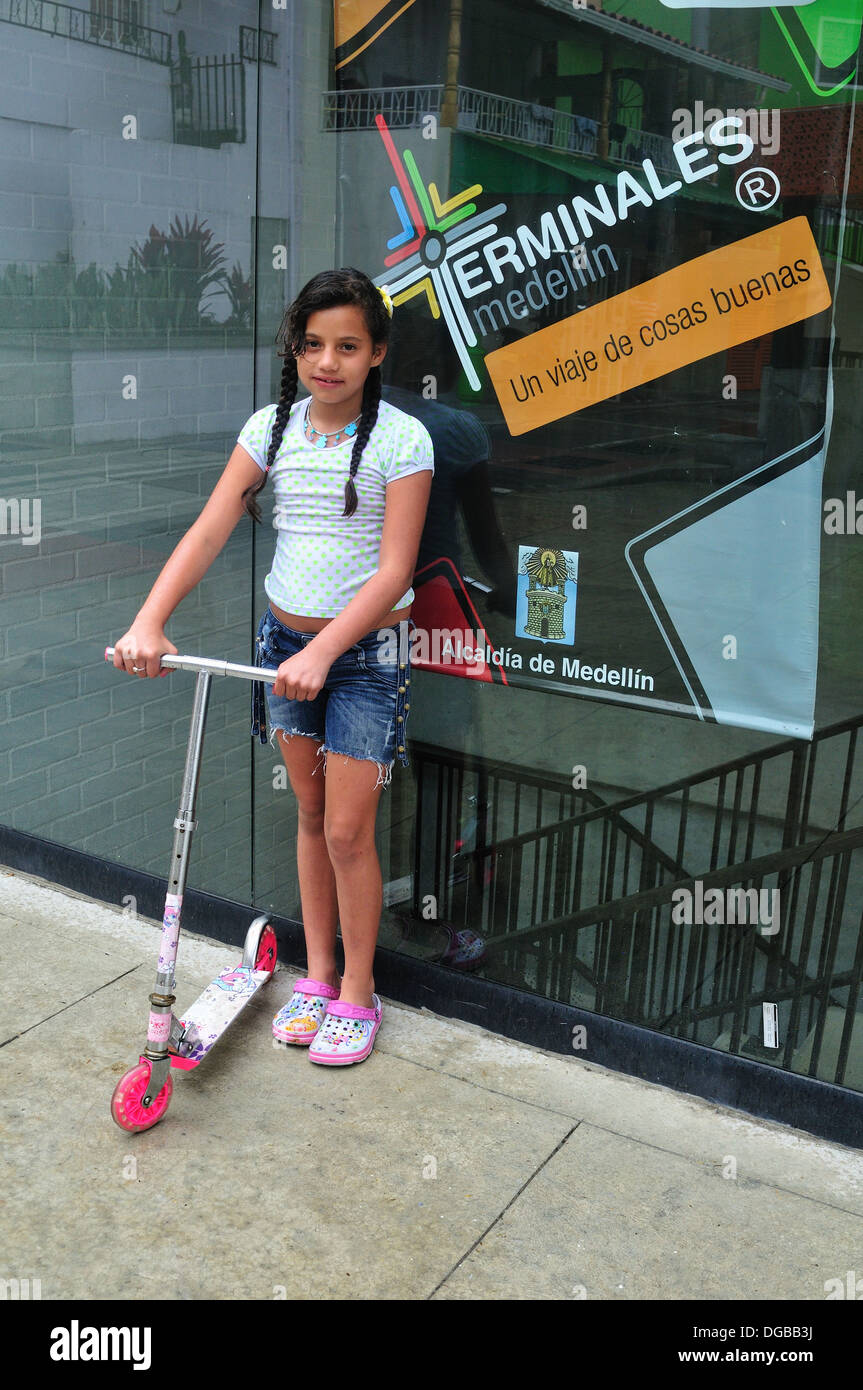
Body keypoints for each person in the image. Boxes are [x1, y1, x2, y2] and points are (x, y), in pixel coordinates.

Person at [111, 267, 434, 1066]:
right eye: (312, 344)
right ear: (294, 349)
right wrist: (151, 619)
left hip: (363, 658)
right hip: (283, 650)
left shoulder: (402, 439)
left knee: (350, 830)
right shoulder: (270, 429)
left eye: (347, 346)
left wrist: (329, 650)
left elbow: (395, 571)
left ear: (377, 353)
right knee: (310, 813)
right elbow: (211, 528)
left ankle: (359, 991)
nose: (328, 361)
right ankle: (318, 977)